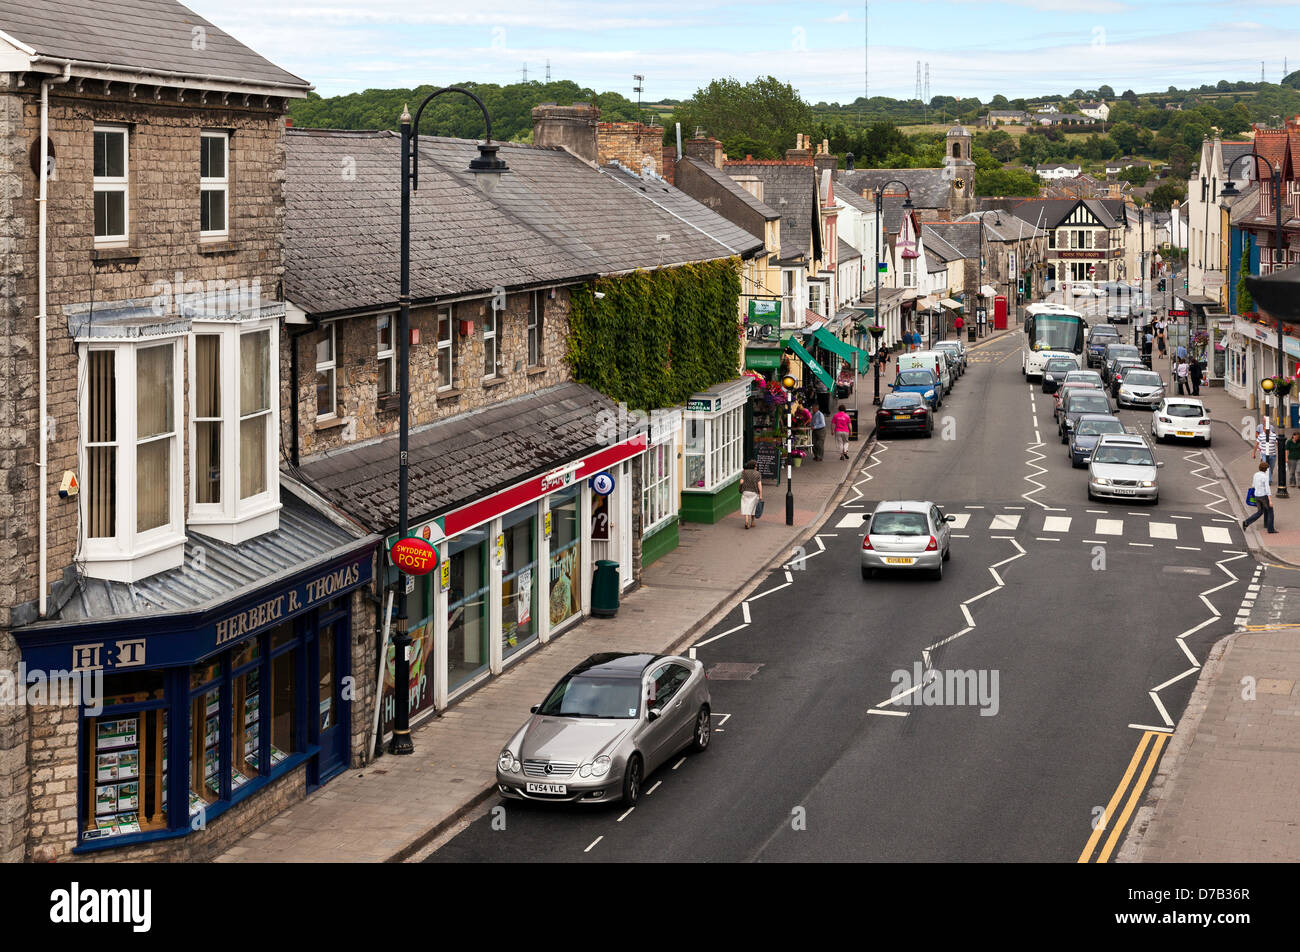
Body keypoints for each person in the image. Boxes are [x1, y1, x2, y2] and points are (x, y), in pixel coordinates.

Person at [1243, 460, 1277, 534]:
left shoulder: (1255, 474)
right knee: (1270, 512)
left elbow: (1253, 485)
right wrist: (1270, 500)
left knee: (1260, 512)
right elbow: (1267, 489)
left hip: (1257, 496)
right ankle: (1270, 529)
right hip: (1263, 496)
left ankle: (1246, 522)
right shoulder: (1265, 477)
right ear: (1266, 469)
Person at [739, 460, 763, 529]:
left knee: (746, 506)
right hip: (754, 493)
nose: (756, 467)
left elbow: (741, 482)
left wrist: (741, 488)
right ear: (753, 466)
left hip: (745, 492)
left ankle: (746, 520)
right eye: (756, 466)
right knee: (753, 507)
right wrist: (761, 494)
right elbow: (759, 485)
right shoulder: (758, 473)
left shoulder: (744, 472)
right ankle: (752, 522)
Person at [1257, 420, 1279, 487]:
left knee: (1271, 468)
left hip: (1273, 454)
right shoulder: (1261, 435)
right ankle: (1269, 480)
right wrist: (1256, 451)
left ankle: (1269, 477)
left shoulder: (1274, 435)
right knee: (1267, 467)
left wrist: (1279, 450)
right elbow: (1257, 444)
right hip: (1264, 454)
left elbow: (1277, 443)